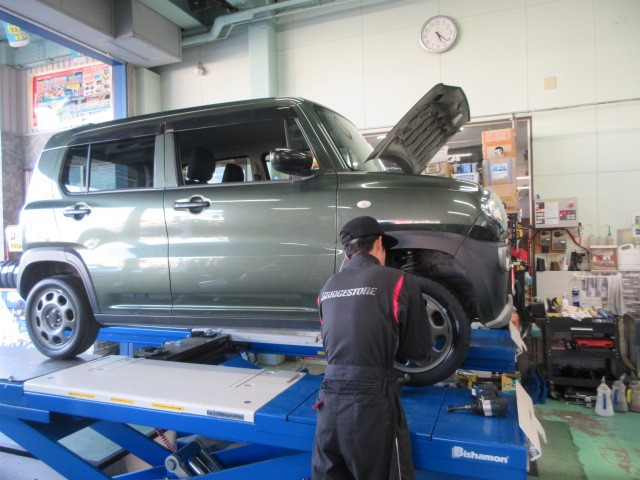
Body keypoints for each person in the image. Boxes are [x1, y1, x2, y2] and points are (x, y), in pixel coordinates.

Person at [312, 216, 431, 480]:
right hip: (370, 401)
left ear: (347, 252)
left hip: (327, 399)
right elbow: (417, 350)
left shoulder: (327, 287)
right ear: (379, 243)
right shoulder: (399, 281)